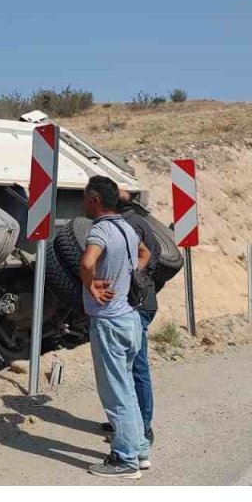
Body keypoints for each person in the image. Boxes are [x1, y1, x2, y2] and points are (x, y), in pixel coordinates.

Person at [79, 175, 151, 479]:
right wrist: (129, 274)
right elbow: (146, 254)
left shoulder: (101, 230)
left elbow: (86, 263)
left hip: (109, 322)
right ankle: (140, 450)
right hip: (131, 319)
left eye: (85, 197)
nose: (82, 203)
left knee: (115, 393)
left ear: (95, 200)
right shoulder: (127, 228)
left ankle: (125, 460)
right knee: (128, 390)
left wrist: (91, 285)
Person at [98, 190, 159, 448]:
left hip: (135, 305)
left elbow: (145, 258)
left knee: (135, 369)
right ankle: (131, 426)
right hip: (140, 302)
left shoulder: (127, 226)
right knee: (128, 370)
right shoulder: (135, 222)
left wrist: (125, 279)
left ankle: (142, 430)